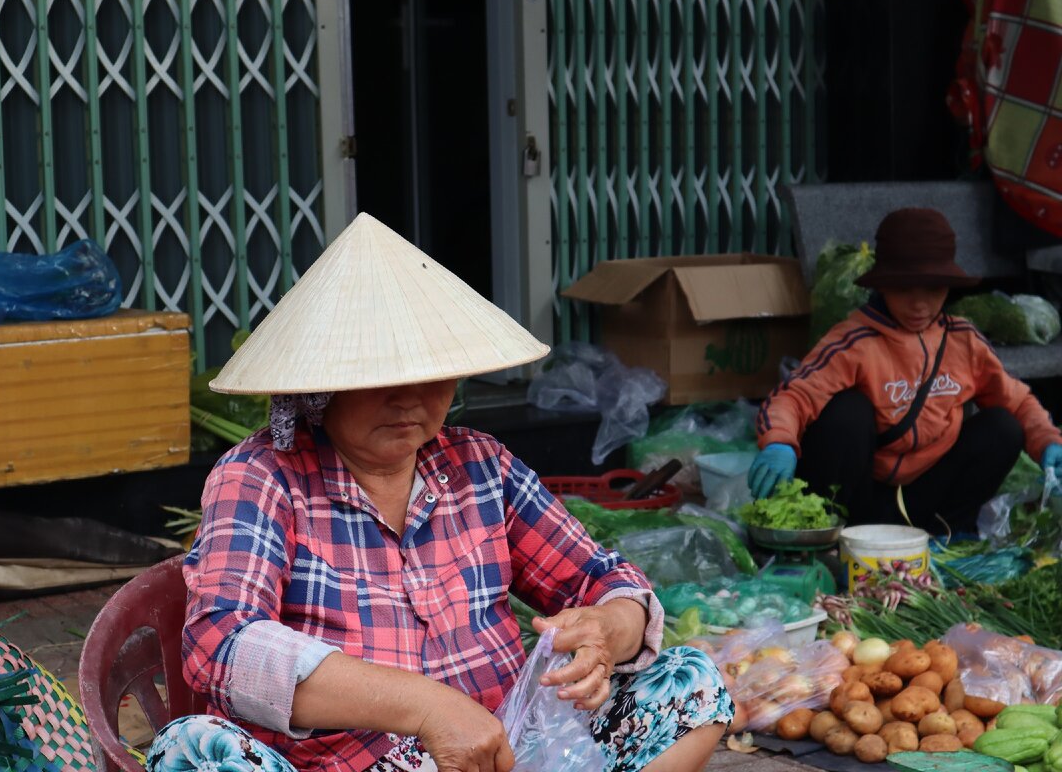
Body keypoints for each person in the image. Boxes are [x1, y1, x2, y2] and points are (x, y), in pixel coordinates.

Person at [148, 214, 732, 772]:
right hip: (347, 760)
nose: (410, 397)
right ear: (320, 387)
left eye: (431, 372)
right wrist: (425, 706)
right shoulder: (261, 477)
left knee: (691, 682)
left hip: (505, 747)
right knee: (191, 749)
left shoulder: (479, 463)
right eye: (380, 377)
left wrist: (607, 630)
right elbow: (222, 643)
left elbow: (603, 579)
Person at [749, 207, 1062, 532]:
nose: (919, 304)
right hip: (858, 495)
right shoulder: (854, 340)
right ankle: (839, 534)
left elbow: (1017, 400)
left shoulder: (963, 341)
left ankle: (948, 532)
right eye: (904, 288)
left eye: (932, 289)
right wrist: (779, 442)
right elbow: (794, 395)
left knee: (1004, 427)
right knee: (848, 412)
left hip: (924, 496)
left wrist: (1048, 440)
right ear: (883, 285)